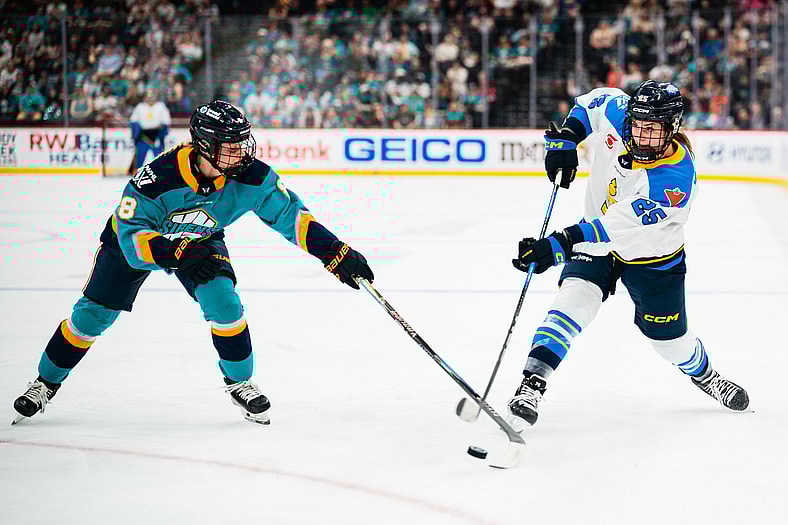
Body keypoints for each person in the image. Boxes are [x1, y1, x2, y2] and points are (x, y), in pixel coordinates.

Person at [12, 100, 374, 426]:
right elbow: (131, 237)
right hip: (140, 244)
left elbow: (291, 217)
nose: (242, 153)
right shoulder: (156, 180)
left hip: (199, 240)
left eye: (243, 142)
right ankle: (44, 383)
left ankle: (240, 382)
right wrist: (175, 253)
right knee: (90, 318)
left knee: (225, 304)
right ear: (204, 146)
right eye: (231, 147)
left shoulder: (252, 177)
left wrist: (333, 251)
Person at [507, 80, 749, 431]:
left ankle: (705, 373)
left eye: (652, 129)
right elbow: (589, 104)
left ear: (672, 128)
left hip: (652, 257)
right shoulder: (620, 113)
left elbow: (612, 229)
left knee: (670, 345)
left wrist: (556, 247)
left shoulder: (674, 181)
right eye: (638, 125)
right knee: (571, 304)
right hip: (596, 244)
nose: (642, 135)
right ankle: (531, 384)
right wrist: (566, 139)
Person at [128, 88, 171, 176]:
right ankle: (136, 174)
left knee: (159, 157)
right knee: (139, 156)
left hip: (156, 135)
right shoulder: (140, 107)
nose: (150, 99)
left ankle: (160, 174)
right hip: (143, 135)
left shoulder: (161, 106)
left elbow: (166, 122)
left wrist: (161, 134)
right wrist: (136, 133)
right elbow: (133, 121)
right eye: (148, 96)